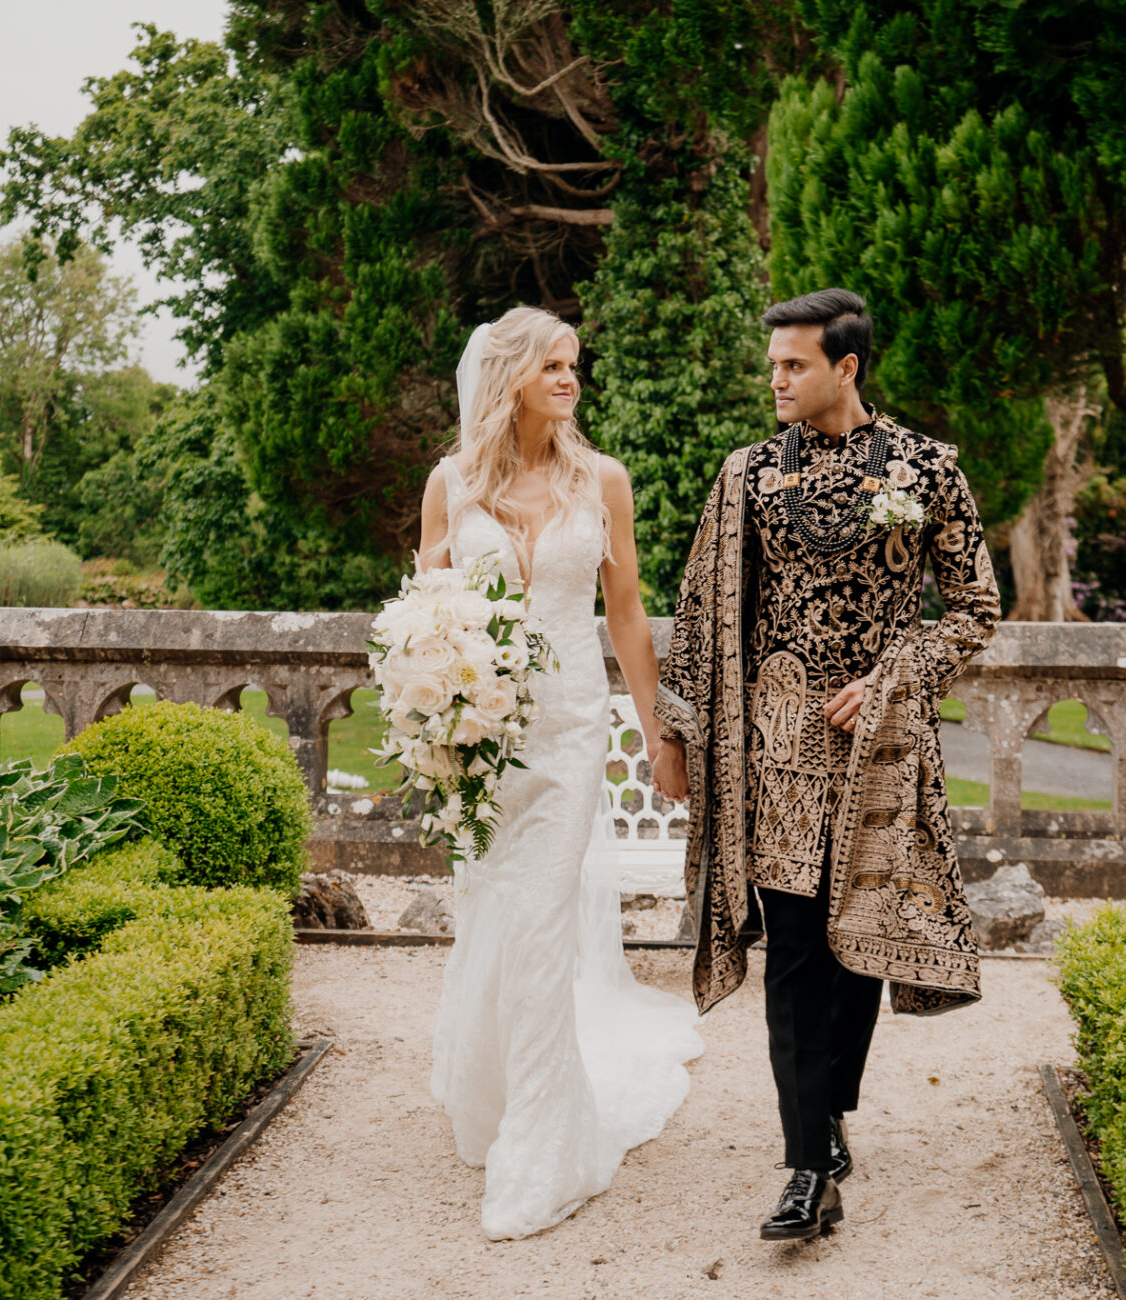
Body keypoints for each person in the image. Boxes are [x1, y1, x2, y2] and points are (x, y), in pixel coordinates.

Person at [650, 288, 1001, 1240]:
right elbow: (700, 609)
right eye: (772, 365)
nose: (777, 380)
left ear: (846, 368)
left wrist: (897, 673)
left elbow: (975, 608)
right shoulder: (750, 475)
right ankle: (806, 1164)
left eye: (793, 365)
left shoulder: (929, 468)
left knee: (857, 949)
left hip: (881, 753)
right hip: (777, 750)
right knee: (799, 949)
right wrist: (674, 733)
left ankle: (831, 1110)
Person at [420, 305, 702, 1240]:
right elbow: (426, 610)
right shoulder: (451, 484)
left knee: (542, 918)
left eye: (575, 365)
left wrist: (662, 731)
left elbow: (625, 617)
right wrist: (430, 711)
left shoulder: (603, 480)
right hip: (484, 740)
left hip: (575, 729)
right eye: (553, 365)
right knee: (498, 911)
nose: (570, 379)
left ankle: (542, 1153)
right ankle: (496, 1098)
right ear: (509, 376)